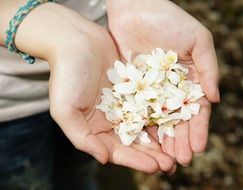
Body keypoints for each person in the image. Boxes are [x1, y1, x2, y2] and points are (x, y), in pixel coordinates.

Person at [0, 0, 220, 189]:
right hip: (10, 103)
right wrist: (61, 34)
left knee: (81, 164)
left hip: (104, 61)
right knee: (26, 180)